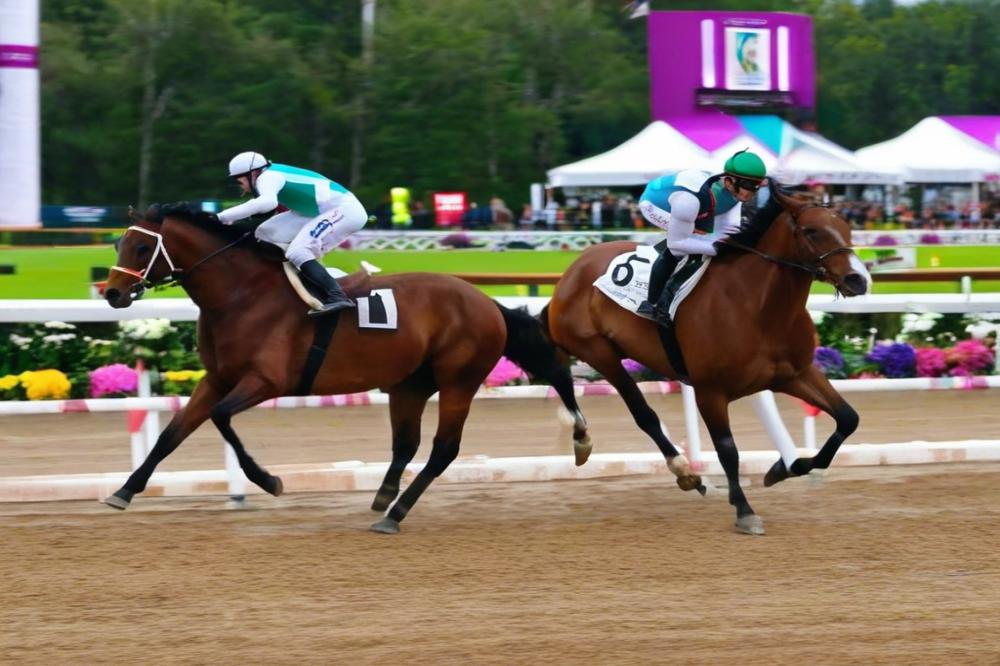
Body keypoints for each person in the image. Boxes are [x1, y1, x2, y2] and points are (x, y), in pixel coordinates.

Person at [217, 151, 368, 317]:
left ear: (252, 174)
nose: (241, 187)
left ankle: (336, 295)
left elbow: (267, 203)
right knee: (266, 233)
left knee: (298, 251)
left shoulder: (268, 177)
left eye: (240, 181)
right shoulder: (269, 173)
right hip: (316, 211)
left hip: (344, 210)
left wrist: (222, 216)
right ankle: (288, 281)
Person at [635, 149, 767, 328]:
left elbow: (728, 236)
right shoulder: (689, 200)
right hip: (656, 204)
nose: (750, 193)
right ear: (728, 182)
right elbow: (677, 244)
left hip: (701, 206)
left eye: (755, 187)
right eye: (747, 186)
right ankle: (652, 303)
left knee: (715, 244)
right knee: (680, 250)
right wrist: (716, 247)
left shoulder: (736, 194)